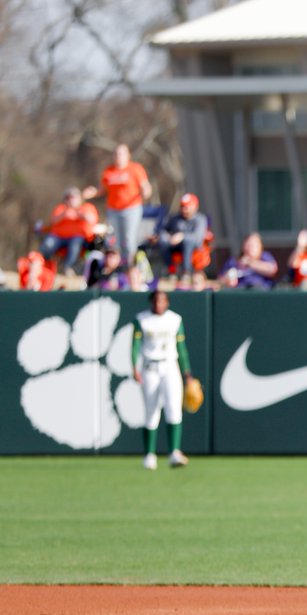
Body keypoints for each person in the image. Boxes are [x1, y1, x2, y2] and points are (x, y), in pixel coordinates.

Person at [132, 289, 192, 470]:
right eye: (157, 301)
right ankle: (149, 455)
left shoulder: (175, 319)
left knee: (174, 408)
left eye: (163, 301)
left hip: (170, 365)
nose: (159, 304)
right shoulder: (142, 319)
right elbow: (135, 345)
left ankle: (174, 452)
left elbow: (181, 347)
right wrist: (134, 367)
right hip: (150, 366)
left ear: (167, 302)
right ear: (151, 302)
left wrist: (187, 373)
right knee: (151, 411)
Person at [83, 143, 152, 264]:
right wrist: (92, 192)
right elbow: (102, 190)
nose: (118, 156)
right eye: (115, 153)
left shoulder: (135, 169)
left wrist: (146, 190)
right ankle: (119, 266)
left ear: (128, 155)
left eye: (121, 153)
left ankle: (130, 266)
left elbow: (145, 185)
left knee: (129, 239)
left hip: (131, 209)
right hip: (113, 210)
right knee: (115, 240)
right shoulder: (109, 171)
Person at [39, 186, 100, 280]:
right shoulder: (61, 208)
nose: (71, 200)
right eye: (68, 198)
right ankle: (43, 265)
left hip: (80, 238)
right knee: (48, 244)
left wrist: (79, 214)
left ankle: (68, 268)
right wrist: (64, 215)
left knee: (75, 244)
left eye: (73, 197)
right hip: (58, 237)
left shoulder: (86, 207)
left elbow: (92, 220)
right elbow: (53, 221)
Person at [154, 193, 209, 289]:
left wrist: (182, 236)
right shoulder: (175, 218)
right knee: (163, 241)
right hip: (176, 246)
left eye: (187, 207)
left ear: (195, 207)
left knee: (187, 242)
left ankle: (186, 273)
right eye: (182, 206)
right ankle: (172, 271)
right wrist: (167, 237)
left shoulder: (200, 219)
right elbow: (163, 230)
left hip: (194, 247)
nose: (184, 209)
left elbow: (197, 238)